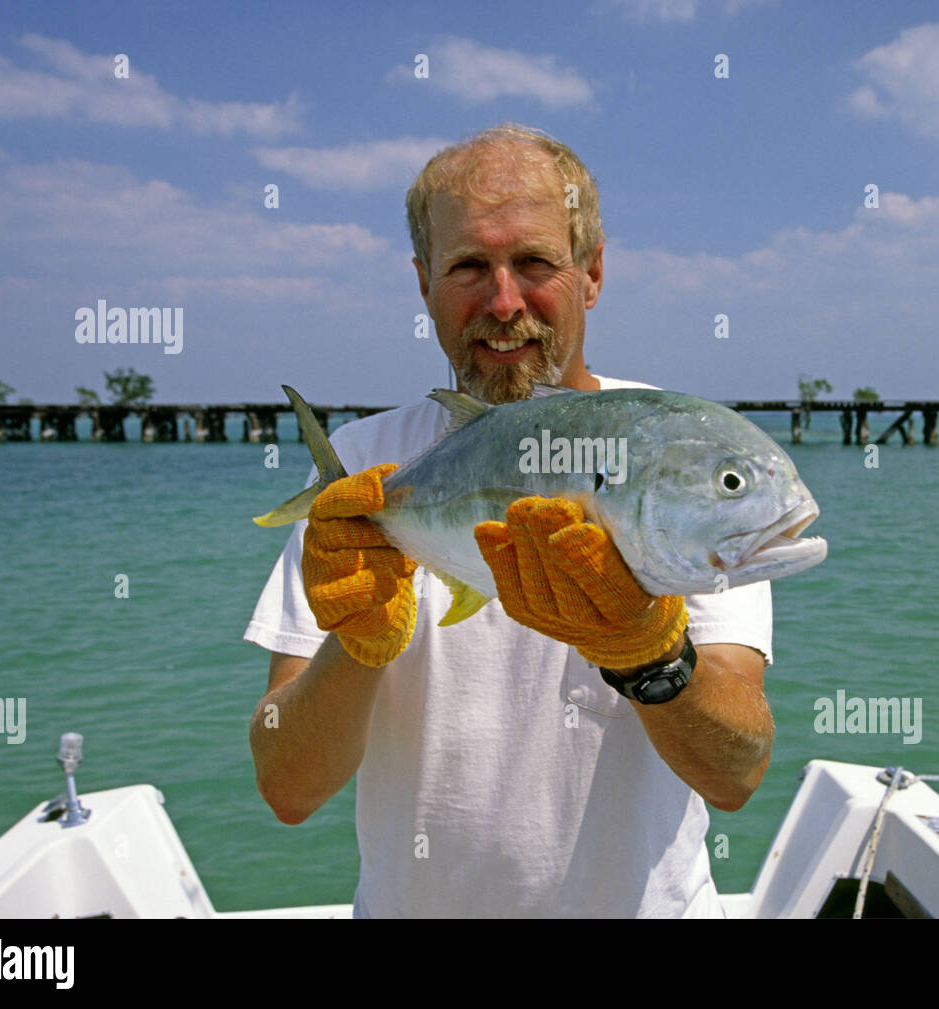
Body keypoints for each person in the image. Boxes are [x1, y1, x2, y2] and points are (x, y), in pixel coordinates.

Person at [245, 125, 775, 917]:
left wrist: (650, 654)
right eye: (467, 267)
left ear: (591, 272)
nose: (502, 302)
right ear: (424, 283)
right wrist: (360, 643)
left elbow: (737, 771)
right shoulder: (363, 472)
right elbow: (287, 785)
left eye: (534, 263)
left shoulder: (675, 459)